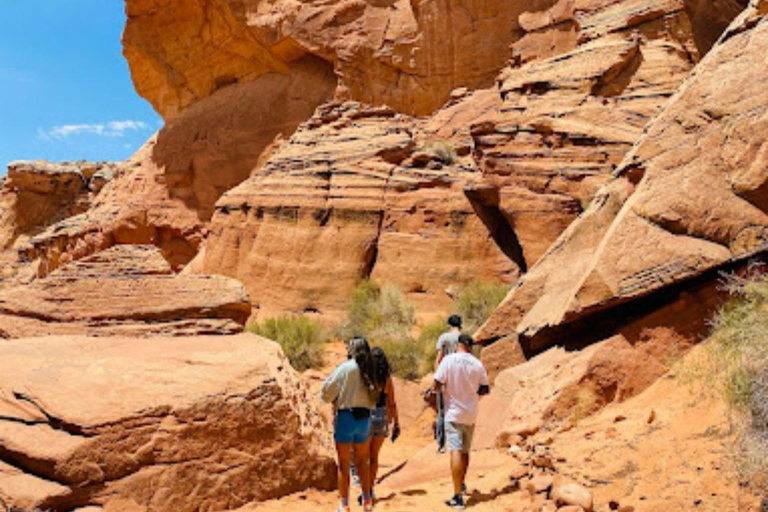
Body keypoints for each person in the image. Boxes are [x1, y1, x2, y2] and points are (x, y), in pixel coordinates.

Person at [321, 337, 379, 512]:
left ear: (352, 349)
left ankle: (344, 505)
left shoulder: (345, 368)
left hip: (346, 417)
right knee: (363, 461)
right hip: (364, 419)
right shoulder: (370, 368)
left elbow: (327, 391)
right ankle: (367, 500)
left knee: (344, 465)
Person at [434, 334, 490, 510]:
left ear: (458, 344)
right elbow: (485, 388)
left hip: (453, 412)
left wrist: (445, 390)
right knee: (465, 450)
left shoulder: (449, 360)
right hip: (470, 413)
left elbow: (437, 383)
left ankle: (458, 496)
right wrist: (470, 394)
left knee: (456, 450)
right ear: (470, 346)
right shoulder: (477, 363)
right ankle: (462, 483)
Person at [366, 347, 400, 503]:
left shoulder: (364, 376)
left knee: (363, 457)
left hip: (365, 417)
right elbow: (391, 403)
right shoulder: (386, 379)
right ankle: (370, 489)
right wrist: (397, 422)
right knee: (374, 457)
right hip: (381, 417)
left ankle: (364, 489)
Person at [434, 315, 462, 452]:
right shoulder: (464, 338)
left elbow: (438, 359)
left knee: (442, 411)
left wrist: (437, 379)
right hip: (459, 377)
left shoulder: (444, 337)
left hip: (445, 376)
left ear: (449, 325)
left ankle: (442, 444)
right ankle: (457, 441)